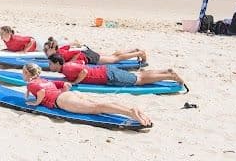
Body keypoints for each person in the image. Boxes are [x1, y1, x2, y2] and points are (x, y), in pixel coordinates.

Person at [22, 63, 151, 126]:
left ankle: (131, 113)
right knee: (98, 104)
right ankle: (130, 110)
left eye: (24, 72)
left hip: (61, 101)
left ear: (27, 74)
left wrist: (36, 103)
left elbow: (41, 92)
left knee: (97, 108)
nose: (22, 74)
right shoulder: (44, 80)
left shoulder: (31, 84)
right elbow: (65, 85)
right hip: (69, 95)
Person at [47, 54, 186, 89]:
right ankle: (165, 71)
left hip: (107, 76)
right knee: (138, 75)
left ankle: (170, 76)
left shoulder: (67, 68)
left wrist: (76, 82)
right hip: (106, 71)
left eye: (50, 64)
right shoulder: (67, 66)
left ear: (57, 63)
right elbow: (82, 64)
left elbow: (83, 71)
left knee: (139, 81)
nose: (49, 66)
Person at [43, 36, 147, 64]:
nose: (44, 52)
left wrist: (72, 62)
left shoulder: (59, 55)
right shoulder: (59, 50)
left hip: (88, 56)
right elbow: (69, 46)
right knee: (113, 55)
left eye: (46, 50)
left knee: (115, 59)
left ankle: (139, 53)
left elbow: (76, 53)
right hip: (87, 52)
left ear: (52, 49)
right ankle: (133, 50)